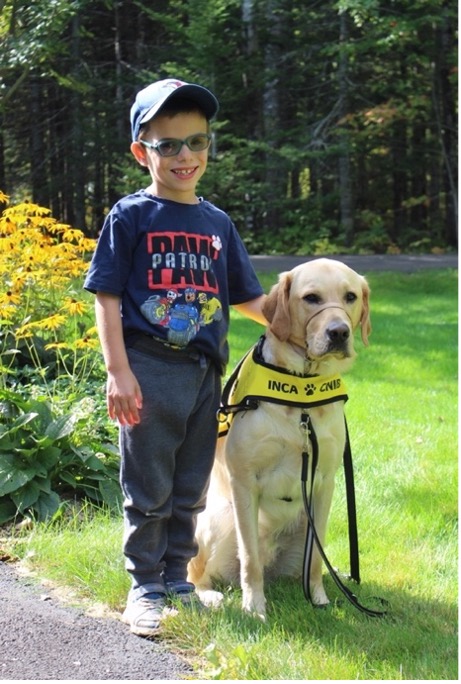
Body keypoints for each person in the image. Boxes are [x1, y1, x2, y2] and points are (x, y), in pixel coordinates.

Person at [84, 78, 266, 637]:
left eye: (197, 142)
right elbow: (107, 297)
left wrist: (301, 321)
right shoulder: (131, 216)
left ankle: (178, 581)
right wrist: (118, 372)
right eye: (168, 145)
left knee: (190, 485)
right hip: (149, 370)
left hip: (204, 374)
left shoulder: (217, 224)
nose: (185, 155)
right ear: (142, 152)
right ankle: (144, 586)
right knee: (149, 485)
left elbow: (247, 296)